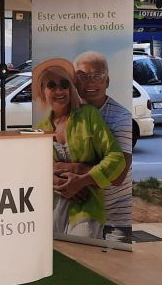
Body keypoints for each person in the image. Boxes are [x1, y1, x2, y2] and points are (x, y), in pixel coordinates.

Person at [33, 58, 126, 238]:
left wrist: (82, 181)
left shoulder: (88, 115)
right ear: (43, 91)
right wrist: (55, 181)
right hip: (50, 207)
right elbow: (35, 168)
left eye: (64, 84)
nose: (59, 90)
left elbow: (116, 157)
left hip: (87, 204)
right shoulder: (41, 127)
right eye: (51, 85)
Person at [73, 51, 133, 242]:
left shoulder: (121, 118)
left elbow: (117, 174)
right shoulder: (67, 113)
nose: (90, 82)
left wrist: (76, 174)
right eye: (83, 76)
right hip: (79, 211)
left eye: (97, 76)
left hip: (113, 217)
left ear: (107, 81)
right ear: (74, 81)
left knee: (115, 265)